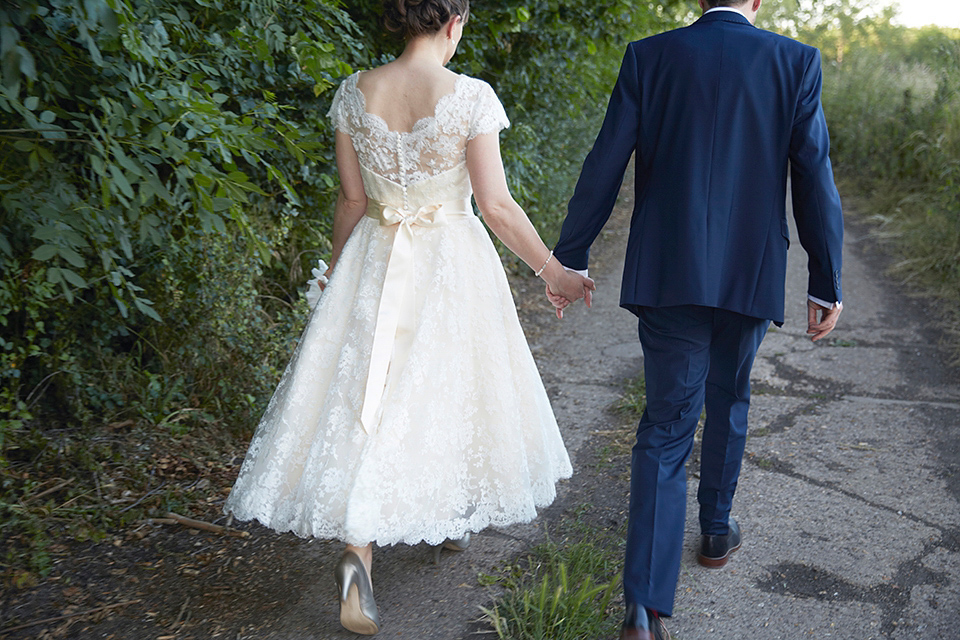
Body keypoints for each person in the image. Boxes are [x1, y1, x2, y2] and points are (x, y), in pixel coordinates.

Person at [223, 0, 594, 635]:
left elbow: (351, 198)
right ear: (454, 22)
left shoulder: (353, 92)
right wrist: (553, 272)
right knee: (446, 386)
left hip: (373, 254)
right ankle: (446, 518)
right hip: (450, 261)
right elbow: (497, 206)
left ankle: (359, 556)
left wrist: (337, 271)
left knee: (365, 393)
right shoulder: (469, 95)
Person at [547, 1, 845, 638]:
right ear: (758, 1)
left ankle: (643, 606)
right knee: (730, 395)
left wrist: (568, 256)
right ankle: (715, 530)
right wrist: (826, 279)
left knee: (665, 424)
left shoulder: (649, 57)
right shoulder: (795, 62)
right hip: (750, 268)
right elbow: (813, 171)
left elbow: (607, 159)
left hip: (668, 267)